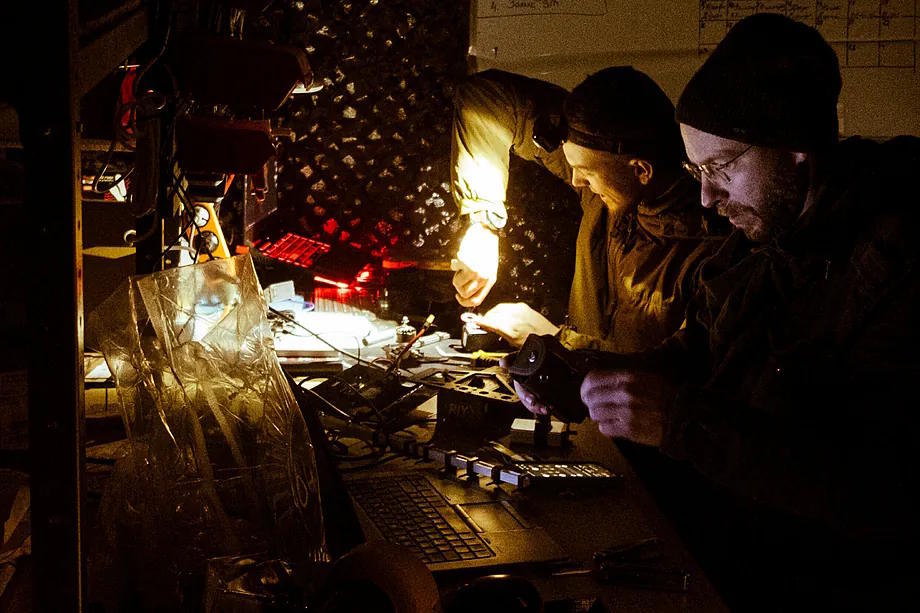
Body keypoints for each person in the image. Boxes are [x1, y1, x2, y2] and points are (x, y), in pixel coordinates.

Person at [522, 13, 920, 610]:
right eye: (695, 170)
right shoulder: (766, 239)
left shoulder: (896, 263)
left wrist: (683, 425)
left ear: (795, 151)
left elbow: (881, 491)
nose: (707, 197)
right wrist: (592, 376)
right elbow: (702, 348)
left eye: (721, 168)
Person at [449, 67, 726, 353]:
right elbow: (483, 99)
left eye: (585, 172)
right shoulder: (608, 183)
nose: (576, 181)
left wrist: (556, 342)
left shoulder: (710, 257)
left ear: (641, 170)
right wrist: (483, 224)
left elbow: (673, 377)